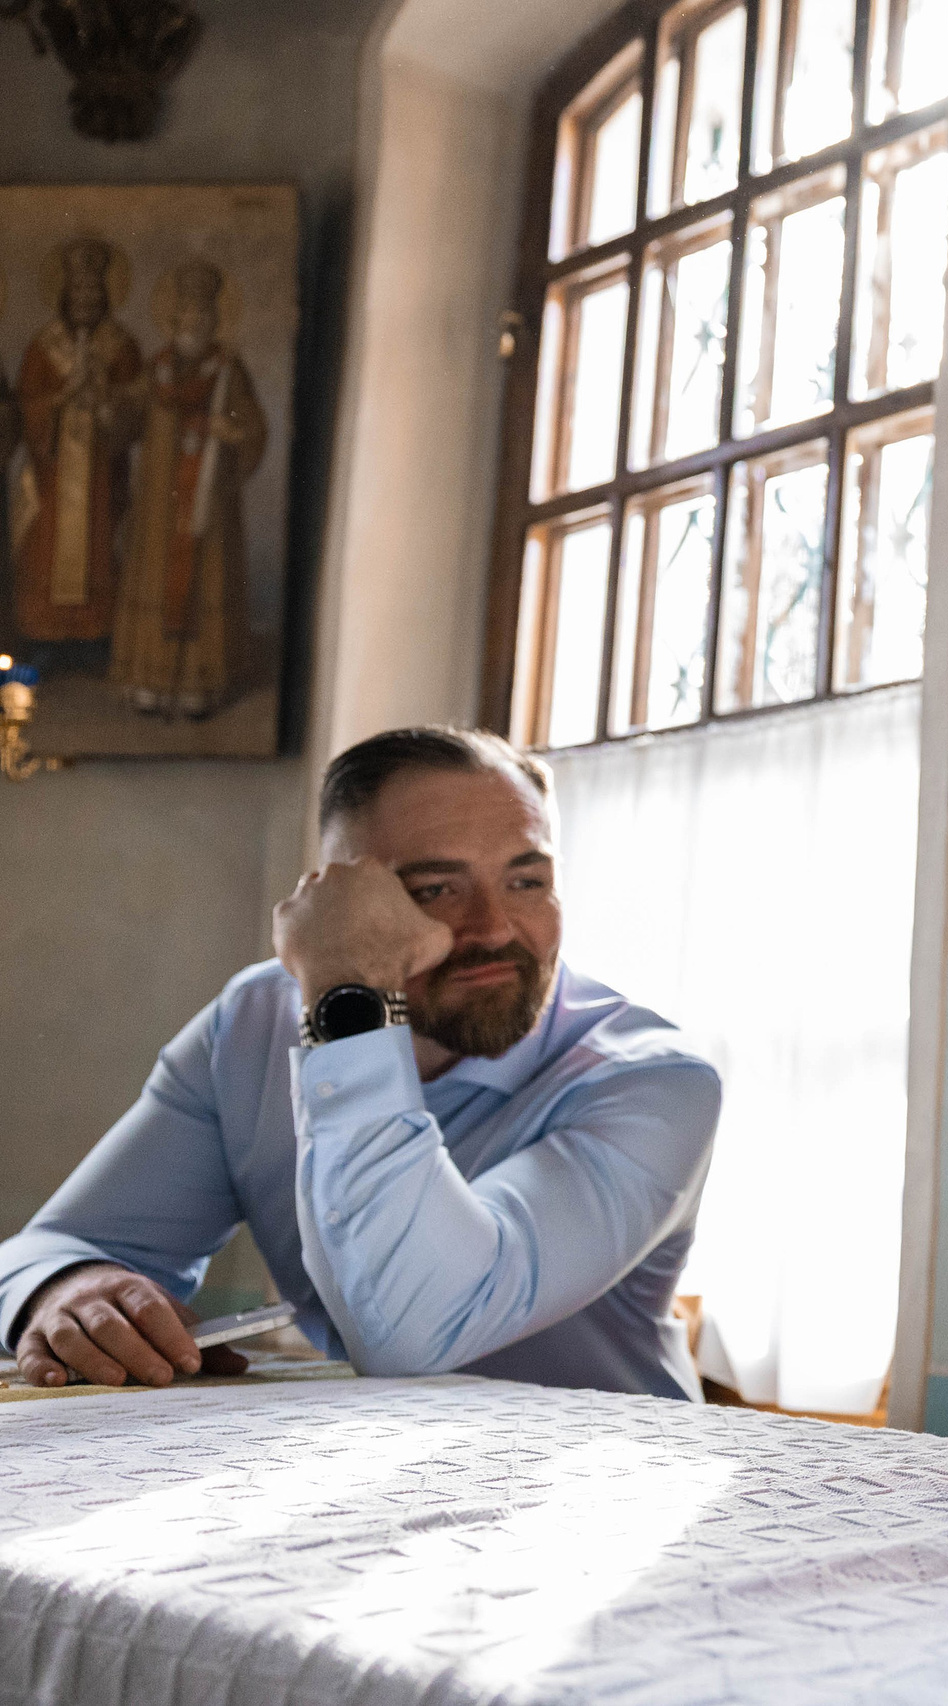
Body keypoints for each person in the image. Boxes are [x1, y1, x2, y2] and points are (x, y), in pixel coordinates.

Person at [0, 726, 721, 1400]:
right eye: (436, 889)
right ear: (339, 898)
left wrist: (352, 1004)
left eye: (526, 882)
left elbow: (416, 1330)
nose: (494, 927)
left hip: (611, 1499)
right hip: (357, 1490)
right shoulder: (254, 1023)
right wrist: (66, 1287)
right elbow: (60, 1244)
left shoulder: (654, 1082)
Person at [111, 258, 268, 718]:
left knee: (205, 575)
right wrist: (108, 415)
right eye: (188, 312)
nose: (196, 320)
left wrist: (232, 428)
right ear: (174, 317)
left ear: (215, 319)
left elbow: (252, 424)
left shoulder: (227, 370)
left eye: (205, 313)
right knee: (156, 573)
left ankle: (199, 689)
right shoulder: (156, 369)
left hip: (208, 501)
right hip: (161, 501)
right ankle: (150, 685)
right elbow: (129, 417)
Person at [12, 235, 142, 649]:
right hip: (52, 474)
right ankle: (46, 639)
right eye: (78, 288)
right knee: (47, 548)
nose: (85, 297)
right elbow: (25, 405)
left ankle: (97, 638)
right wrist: (60, 399)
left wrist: (107, 402)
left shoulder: (121, 347)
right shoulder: (42, 346)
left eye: (93, 289)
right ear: (65, 292)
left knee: (102, 546)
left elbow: (137, 409)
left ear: (104, 293)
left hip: (103, 471)